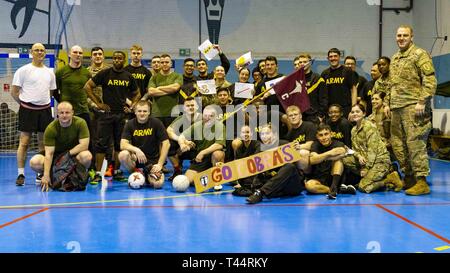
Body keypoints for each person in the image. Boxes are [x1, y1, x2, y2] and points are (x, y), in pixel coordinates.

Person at [384, 25, 437, 195]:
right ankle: (409, 177)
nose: (401, 38)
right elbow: (391, 84)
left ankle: (421, 181)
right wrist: (386, 103)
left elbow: (429, 79)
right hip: (396, 108)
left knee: (415, 144)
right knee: (399, 145)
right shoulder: (395, 58)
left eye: (405, 35)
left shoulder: (419, 54)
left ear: (411, 37)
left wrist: (422, 100)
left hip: (413, 107)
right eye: (398, 35)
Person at [84, 50, 140, 183]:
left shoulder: (128, 76)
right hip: (106, 114)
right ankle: (98, 173)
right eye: (114, 58)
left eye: (120, 58)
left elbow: (137, 93)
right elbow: (87, 87)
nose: (117, 60)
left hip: (122, 115)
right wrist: (98, 103)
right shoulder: (105, 73)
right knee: (101, 144)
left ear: (124, 59)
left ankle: (116, 171)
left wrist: (132, 106)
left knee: (119, 144)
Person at [11, 43, 57, 186]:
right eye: (36, 50)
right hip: (27, 110)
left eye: (42, 50)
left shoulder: (50, 72)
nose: (39, 52)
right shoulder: (23, 70)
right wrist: (25, 104)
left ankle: (40, 172)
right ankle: (20, 174)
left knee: (43, 144)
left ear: (44, 53)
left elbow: (50, 93)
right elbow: (14, 92)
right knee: (24, 143)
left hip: (44, 111)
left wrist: (41, 104)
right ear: (31, 52)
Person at [29, 101, 92, 192]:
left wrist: (67, 155)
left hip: (72, 154)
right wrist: (46, 175)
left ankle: (80, 174)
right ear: (57, 114)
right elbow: (49, 154)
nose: (64, 115)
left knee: (86, 156)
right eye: (61, 113)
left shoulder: (80, 123)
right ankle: (45, 175)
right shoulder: (51, 128)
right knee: (34, 162)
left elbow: (84, 145)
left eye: (67, 112)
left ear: (72, 113)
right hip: (55, 155)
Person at [343, 103, 403, 193]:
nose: (355, 114)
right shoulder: (353, 130)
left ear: (364, 114)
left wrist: (366, 168)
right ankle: (370, 177)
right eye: (352, 112)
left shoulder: (369, 127)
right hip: (366, 160)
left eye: (357, 111)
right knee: (344, 159)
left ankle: (388, 179)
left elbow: (373, 151)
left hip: (379, 160)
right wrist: (358, 156)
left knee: (363, 187)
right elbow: (355, 149)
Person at [246, 124, 305, 204]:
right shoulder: (260, 149)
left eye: (267, 133)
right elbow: (256, 170)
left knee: (290, 167)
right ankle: (261, 191)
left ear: (274, 135)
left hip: (291, 184)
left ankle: (261, 193)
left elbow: (293, 166)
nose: (264, 136)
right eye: (262, 134)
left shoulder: (284, 144)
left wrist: (296, 150)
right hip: (275, 187)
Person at [118, 100, 170, 188]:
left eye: (145, 111)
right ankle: (136, 172)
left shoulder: (156, 123)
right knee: (123, 155)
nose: (142, 113)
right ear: (135, 112)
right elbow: (123, 144)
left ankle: (148, 176)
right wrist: (137, 150)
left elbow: (166, 143)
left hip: (152, 161)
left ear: (149, 112)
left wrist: (160, 164)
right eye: (139, 111)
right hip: (137, 160)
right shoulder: (130, 124)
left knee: (158, 184)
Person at [177, 105, 226, 186]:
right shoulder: (198, 125)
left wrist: (203, 152)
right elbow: (182, 136)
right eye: (205, 115)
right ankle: (207, 176)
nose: (208, 118)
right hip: (201, 159)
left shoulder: (220, 126)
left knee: (218, 154)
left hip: (212, 157)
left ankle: (217, 180)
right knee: (188, 181)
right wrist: (183, 144)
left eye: (211, 116)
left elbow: (219, 145)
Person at [306, 123, 349, 199]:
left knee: (338, 160)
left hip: (333, 176)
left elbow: (342, 152)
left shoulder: (338, 143)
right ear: (317, 136)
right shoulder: (315, 145)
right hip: (319, 178)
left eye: (326, 134)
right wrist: (330, 153)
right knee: (309, 186)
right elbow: (312, 160)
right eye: (321, 135)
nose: (324, 137)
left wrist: (321, 157)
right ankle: (332, 190)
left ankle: (334, 185)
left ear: (331, 134)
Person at [55, 45, 91, 128]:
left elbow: (90, 91)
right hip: (65, 112)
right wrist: (63, 102)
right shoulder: (60, 72)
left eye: (80, 53)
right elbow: (55, 91)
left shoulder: (87, 73)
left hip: (83, 111)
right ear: (69, 54)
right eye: (75, 52)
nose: (78, 54)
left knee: (86, 138)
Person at [166, 97, 202, 180]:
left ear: (197, 106)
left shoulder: (203, 118)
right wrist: (181, 140)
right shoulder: (181, 118)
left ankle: (198, 168)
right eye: (188, 106)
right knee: (169, 144)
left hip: (198, 147)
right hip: (184, 146)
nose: (190, 107)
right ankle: (177, 169)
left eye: (192, 105)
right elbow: (169, 130)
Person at [148, 54, 183, 128]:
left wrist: (159, 87)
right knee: (158, 138)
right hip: (157, 114)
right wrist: (169, 90)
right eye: (162, 62)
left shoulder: (177, 76)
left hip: (173, 113)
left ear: (171, 63)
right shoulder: (154, 77)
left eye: (167, 62)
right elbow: (151, 92)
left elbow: (175, 88)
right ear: (160, 64)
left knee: (172, 137)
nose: (164, 64)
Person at [321, 48, 357, 118]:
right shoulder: (324, 74)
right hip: (330, 110)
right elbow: (322, 94)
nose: (333, 58)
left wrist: (353, 109)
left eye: (335, 56)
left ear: (339, 57)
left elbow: (353, 90)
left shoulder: (348, 71)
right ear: (328, 58)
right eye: (331, 57)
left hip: (345, 109)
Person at [283, 105, 316, 174]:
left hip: (313, 154)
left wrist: (299, 147)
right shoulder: (289, 133)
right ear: (288, 119)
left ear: (300, 116)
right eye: (290, 116)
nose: (293, 117)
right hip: (299, 160)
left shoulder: (309, 126)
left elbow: (311, 145)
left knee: (302, 152)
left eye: (295, 114)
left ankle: (305, 176)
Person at [296, 53, 328, 124]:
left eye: (305, 62)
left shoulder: (318, 79)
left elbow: (324, 99)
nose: (302, 64)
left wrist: (320, 116)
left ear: (310, 63)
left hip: (314, 116)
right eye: (300, 62)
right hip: (300, 116)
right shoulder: (295, 79)